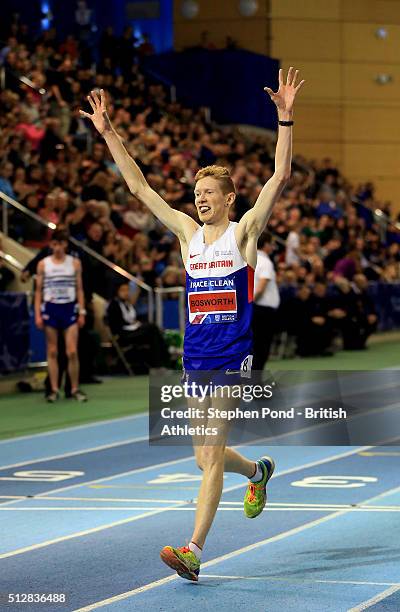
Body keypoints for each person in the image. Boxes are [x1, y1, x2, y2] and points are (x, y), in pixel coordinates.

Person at [80, 67, 304, 580]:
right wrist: (110, 133)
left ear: (229, 198)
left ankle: (194, 550)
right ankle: (258, 470)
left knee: (211, 447)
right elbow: (139, 189)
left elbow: (279, 179)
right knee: (204, 457)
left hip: (231, 358)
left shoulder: (244, 234)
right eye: (197, 191)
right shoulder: (186, 234)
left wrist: (284, 120)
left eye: (209, 193)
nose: (200, 198)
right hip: (195, 358)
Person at [34, 229, 87, 402]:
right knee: (52, 350)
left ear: (66, 245)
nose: (58, 247)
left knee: (72, 351)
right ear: (51, 245)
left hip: (69, 308)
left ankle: (74, 388)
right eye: (54, 244)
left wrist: (82, 311)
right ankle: (54, 390)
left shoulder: (75, 263)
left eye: (61, 244)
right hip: (51, 308)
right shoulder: (43, 264)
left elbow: (79, 288)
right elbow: (38, 291)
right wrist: (38, 315)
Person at [106, 281, 170, 371]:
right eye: (123, 290)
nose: (126, 292)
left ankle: (161, 361)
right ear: (117, 291)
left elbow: (132, 319)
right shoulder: (113, 305)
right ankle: (161, 362)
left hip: (132, 331)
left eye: (127, 290)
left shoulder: (127, 303)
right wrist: (134, 325)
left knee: (153, 330)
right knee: (152, 330)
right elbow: (117, 326)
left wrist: (136, 324)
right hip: (123, 335)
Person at [252, 232, 280, 373]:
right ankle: (254, 386)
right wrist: (250, 303)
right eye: (272, 243)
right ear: (267, 244)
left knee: (254, 348)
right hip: (263, 312)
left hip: (256, 311)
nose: (273, 247)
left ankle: (250, 384)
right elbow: (261, 288)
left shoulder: (250, 259)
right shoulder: (266, 262)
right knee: (261, 349)